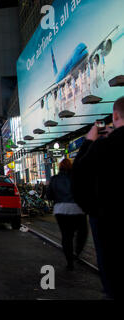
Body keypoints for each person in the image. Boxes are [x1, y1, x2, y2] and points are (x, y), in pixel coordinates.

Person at [72, 96, 124, 299]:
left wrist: (89, 142)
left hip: (110, 227)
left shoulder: (104, 147)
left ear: (115, 115)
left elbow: (78, 181)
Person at [47, 159, 88, 271]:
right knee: (82, 232)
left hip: (60, 209)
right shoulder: (77, 178)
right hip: (77, 209)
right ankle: (77, 252)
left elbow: (49, 196)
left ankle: (69, 262)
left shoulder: (54, 179)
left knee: (66, 236)